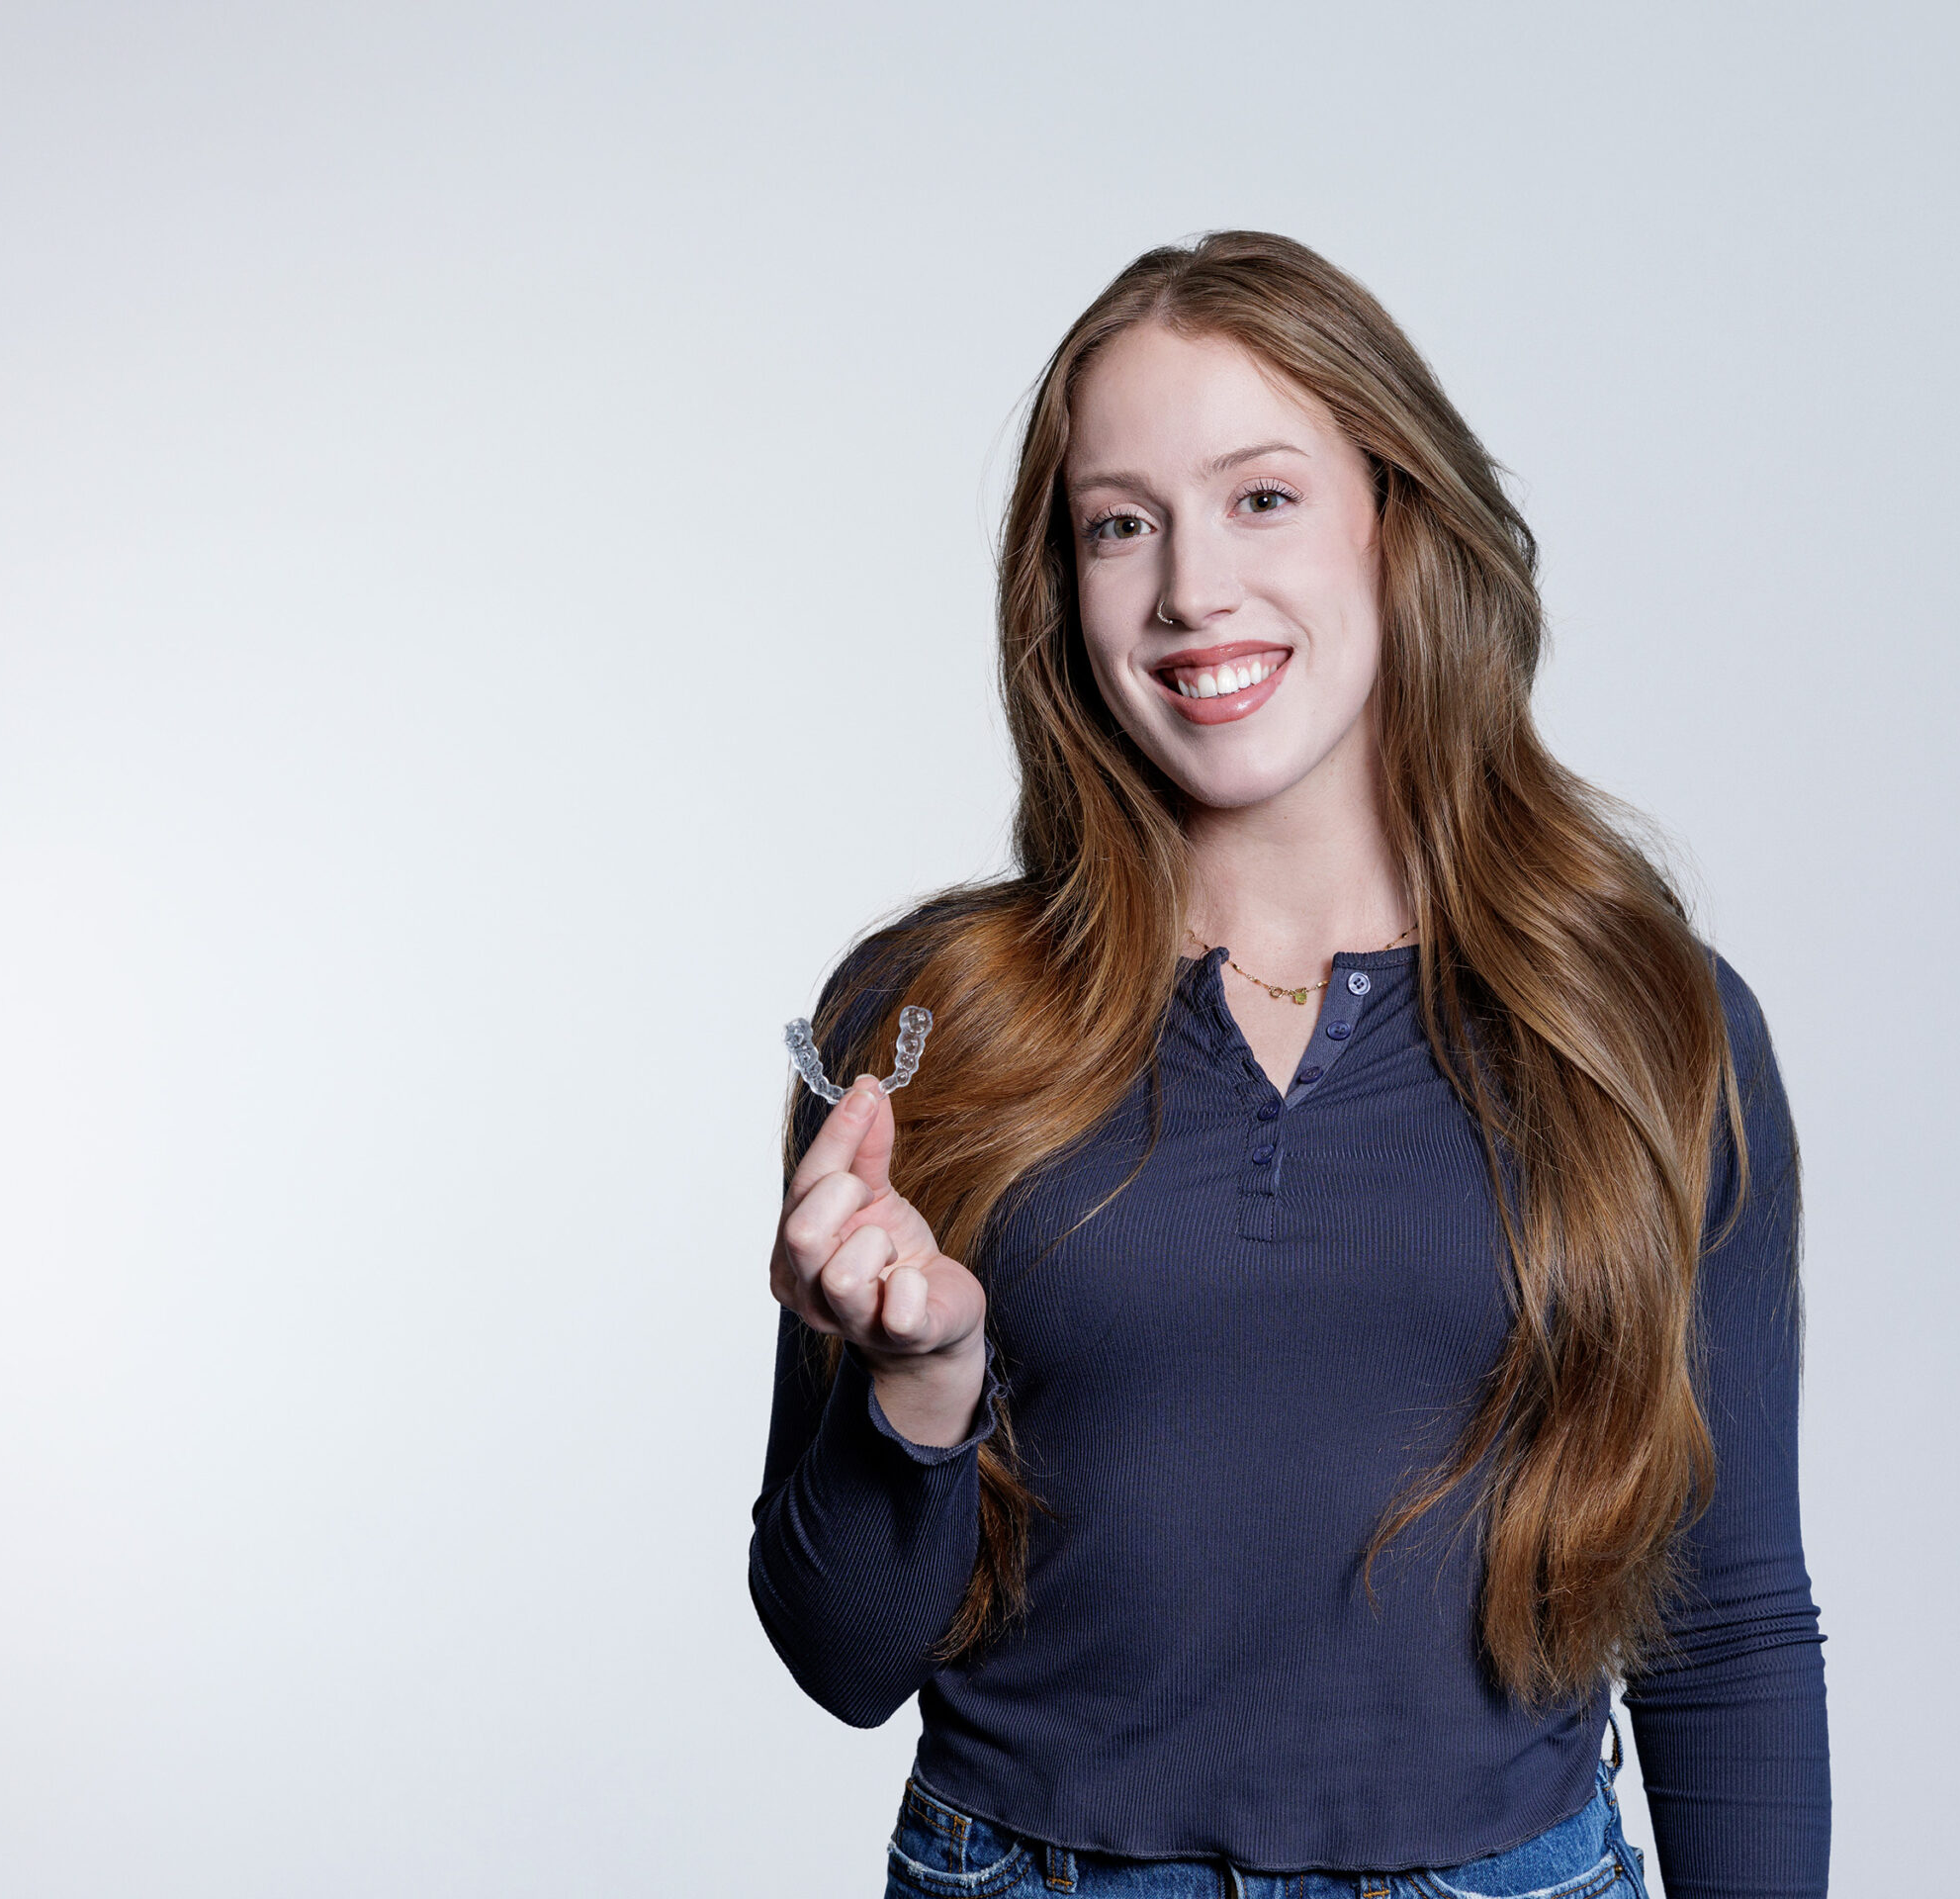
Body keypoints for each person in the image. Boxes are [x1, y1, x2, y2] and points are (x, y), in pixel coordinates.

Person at [749, 230, 1829, 1897]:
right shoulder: (928, 1016)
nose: (1191, 588)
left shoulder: (1645, 1024)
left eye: (1263, 498)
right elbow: (843, 1660)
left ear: (1398, 527)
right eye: (1124, 523)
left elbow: (1730, 1623)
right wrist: (913, 1394)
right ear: (1068, 585)